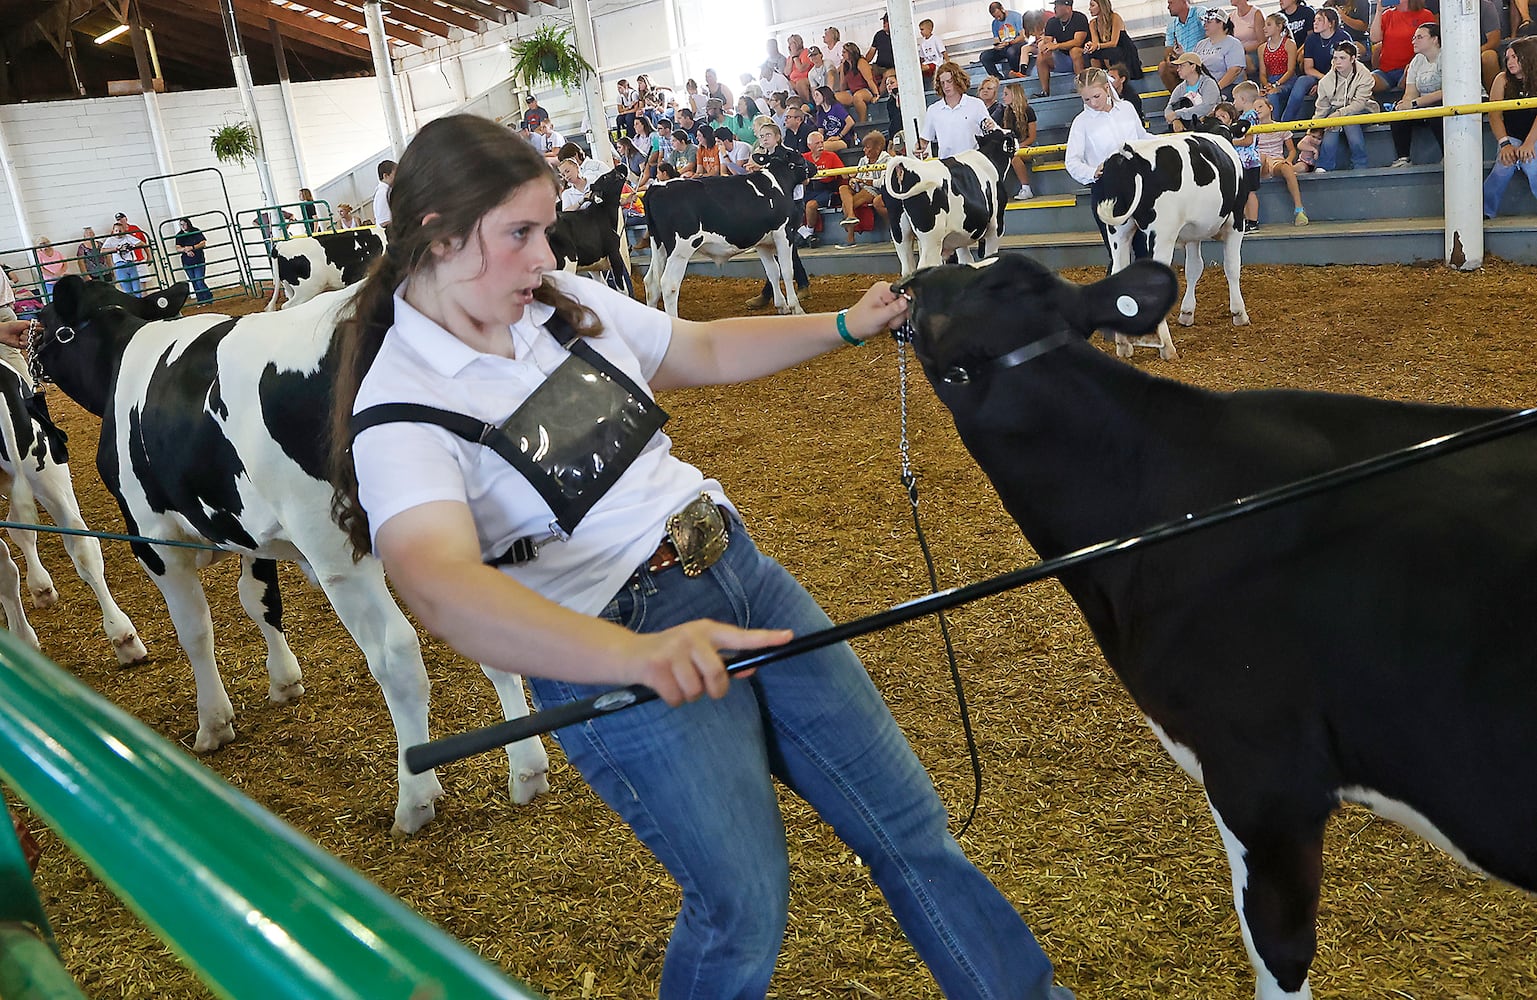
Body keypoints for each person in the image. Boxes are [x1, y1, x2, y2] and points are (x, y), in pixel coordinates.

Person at [329, 111, 1075, 1000]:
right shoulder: (401, 409)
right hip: (617, 649)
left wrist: (844, 324)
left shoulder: (555, 306)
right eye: (520, 233)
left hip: (740, 576)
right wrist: (633, 655)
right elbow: (436, 582)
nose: (545, 252)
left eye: (546, 225)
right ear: (436, 236)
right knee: (741, 906)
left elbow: (700, 349)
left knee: (910, 828)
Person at [1065, 67, 1151, 263]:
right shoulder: (1081, 122)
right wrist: (1092, 172)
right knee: (1117, 252)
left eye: (1096, 96)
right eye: (1086, 99)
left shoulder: (1127, 108)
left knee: (1145, 249)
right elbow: (1072, 161)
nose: (1093, 103)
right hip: (1106, 189)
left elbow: (1143, 137)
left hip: (1138, 185)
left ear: (1106, 88)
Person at [1484, 36, 1537, 218]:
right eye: (1507, 58)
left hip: (1535, 134)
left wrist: (1529, 143)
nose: (1510, 62)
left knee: (1531, 162)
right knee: (1504, 164)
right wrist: (1505, 144)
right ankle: (1483, 210)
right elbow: (1494, 114)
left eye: (1515, 57)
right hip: (1511, 133)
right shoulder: (1502, 79)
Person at [1245, 85, 1312, 224]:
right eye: (1255, 108)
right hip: (1260, 163)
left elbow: (1292, 150)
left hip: (1276, 162)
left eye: (1260, 107)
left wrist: (1288, 160)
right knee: (1261, 158)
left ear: (1270, 108)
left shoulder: (1280, 127)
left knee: (1286, 167)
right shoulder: (1252, 130)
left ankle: (1299, 209)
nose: (1257, 110)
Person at [1276, 8, 1352, 120]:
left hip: (1339, 78)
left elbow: (1346, 68)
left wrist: (1325, 83)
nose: (1315, 23)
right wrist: (1323, 80)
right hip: (1317, 76)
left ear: (1331, 23)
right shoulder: (1311, 39)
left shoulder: (1343, 38)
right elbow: (1308, 68)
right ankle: (1285, 123)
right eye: (1314, 20)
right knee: (1302, 81)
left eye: (1320, 20)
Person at [1313, 40, 1375, 170]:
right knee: (1333, 124)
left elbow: (1359, 103)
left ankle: (1360, 164)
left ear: (1352, 59)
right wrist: (1314, 128)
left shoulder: (1365, 76)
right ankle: (1324, 167)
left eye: (1342, 58)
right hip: (1336, 112)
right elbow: (1322, 108)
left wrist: (1339, 114)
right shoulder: (1326, 81)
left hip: (1364, 109)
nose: (1338, 62)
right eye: (1335, 58)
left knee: (1348, 119)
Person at [1388, 23, 1443, 166]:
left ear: (1435, 39)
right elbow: (1410, 93)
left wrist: (1414, 103)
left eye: (1419, 37)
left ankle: (1449, 155)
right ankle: (1403, 158)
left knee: (1437, 110)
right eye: (1413, 37)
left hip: (1446, 103)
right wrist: (1405, 104)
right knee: (1398, 111)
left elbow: (1447, 92)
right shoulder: (1417, 60)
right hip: (1424, 105)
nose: (1414, 41)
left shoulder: (1447, 57)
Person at [917, 61, 991, 158]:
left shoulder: (976, 104)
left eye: (949, 81)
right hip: (947, 166)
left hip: (974, 164)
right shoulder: (933, 110)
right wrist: (918, 149)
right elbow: (924, 139)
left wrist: (990, 125)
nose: (946, 86)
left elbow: (991, 128)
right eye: (942, 83)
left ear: (958, 80)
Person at [1213, 101, 1262, 231]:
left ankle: (1253, 221)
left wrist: (1229, 140)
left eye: (1223, 116)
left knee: (1250, 192)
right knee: (1242, 193)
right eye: (1217, 117)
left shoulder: (1247, 118)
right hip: (1238, 164)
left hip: (1249, 162)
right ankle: (1244, 220)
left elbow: (1248, 140)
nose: (1219, 119)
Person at [837, 129, 891, 245]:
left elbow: (882, 182)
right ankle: (851, 216)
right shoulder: (863, 160)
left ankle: (850, 238)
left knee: (847, 203)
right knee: (843, 188)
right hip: (861, 187)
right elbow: (859, 176)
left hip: (877, 190)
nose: (864, 150)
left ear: (878, 148)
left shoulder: (887, 160)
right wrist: (853, 181)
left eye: (867, 147)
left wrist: (864, 181)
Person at [1371, 0, 1436, 91]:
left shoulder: (1425, 15)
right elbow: (1374, 38)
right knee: (1364, 84)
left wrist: (1413, 67)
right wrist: (1378, 12)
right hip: (1386, 71)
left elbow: (1433, 45)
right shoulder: (1387, 15)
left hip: (1412, 69)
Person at [800, 129, 846, 243]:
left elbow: (844, 174)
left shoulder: (831, 156)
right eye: (817, 143)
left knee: (810, 205)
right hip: (809, 189)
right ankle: (803, 234)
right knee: (793, 205)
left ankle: (809, 233)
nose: (821, 145)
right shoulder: (804, 158)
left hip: (827, 190)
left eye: (822, 142)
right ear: (809, 145)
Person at [1039, 0, 1090, 96]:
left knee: (1074, 50)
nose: (1054, 8)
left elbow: (1078, 42)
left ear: (1067, 7)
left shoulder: (1079, 18)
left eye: (1057, 6)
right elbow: (1048, 41)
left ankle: (1081, 87)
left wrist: (1056, 45)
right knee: (1042, 55)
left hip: (1082, 57)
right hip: (1062, 58)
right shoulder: (1052, 22)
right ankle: (1045, 91)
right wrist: (1043, 44)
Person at [1195, 10, 1248, 97]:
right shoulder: (1201, 44)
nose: (1205, 25)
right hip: (1204, 88)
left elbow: (1234, 71)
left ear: (1220, 23)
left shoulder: (1233, 43)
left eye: (1209, 22)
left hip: (1228, 88)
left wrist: (1215, 89)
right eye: (1204, 22)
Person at [1259, 12, 1302, 119]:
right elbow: (1262, 73)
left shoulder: (1289, 44)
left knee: (1273, 94)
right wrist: (1267, 85)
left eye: (1269, 25)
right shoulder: (1262, 48)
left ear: (1279, 26)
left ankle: (1276, 126)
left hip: (1287, 80)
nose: (1264, 28)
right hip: (1270, 80)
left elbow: (1291, 70)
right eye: (1264, 25)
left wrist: (1276, 84)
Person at [1159, 0, 1209, 90]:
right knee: (1163, 66)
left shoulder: (1200, 12)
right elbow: (1168, 49)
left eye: (1171, 3)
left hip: (1202, 59)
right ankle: (1181, 99)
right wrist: (1169, 58)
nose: (1168, 7)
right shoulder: (1172, 25)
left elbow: (1210, 31)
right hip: (1183, 60)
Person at [1164, 52, 1220, 131]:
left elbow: (1206, 108)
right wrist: (1175, 120)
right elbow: (1169, 107)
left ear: (1193, 66)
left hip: (1209, 125)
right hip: (1187, 126)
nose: (1178, 69)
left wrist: (1178, 114)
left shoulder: (1209, 84)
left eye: (1182, 66)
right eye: (1178, 66)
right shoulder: (1180, 88)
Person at [1001, 82, 1039, 198]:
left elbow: (1032, 137)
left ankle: (1026, 188)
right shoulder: (1006, 112)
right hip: (1014, 147)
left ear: (1015, 95)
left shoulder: (1028, 111)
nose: (1003, 97)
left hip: (1026, 147)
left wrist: (1018, 146)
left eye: (1006, 94)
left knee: (1014, 156)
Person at [1085, 0, 1141, 75]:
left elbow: (1113, 43)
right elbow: (1096, 43)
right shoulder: (1092, 23)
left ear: (1101, 6)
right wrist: (1091, 45)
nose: (1089, 9)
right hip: (1106, 49)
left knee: (1110, 53)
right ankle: (1098, 77)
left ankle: (1113, 76)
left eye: (1092, 5)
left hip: (1122, 49)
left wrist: (1097, 46)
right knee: (1093, 54)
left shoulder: (1115, 17)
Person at [984, 2, 1034, 80]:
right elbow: (996, 39)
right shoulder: (994, 23)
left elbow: (1022, 37)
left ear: (1002, 9)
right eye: (995, 17)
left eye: (999, 16)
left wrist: (1010, 42)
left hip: (1017, 44)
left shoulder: (1016, 16)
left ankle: (1015, 72)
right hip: (1004, 46)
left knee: (1011, 51)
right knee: (984, 56)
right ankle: (997, 77)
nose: (998, 19)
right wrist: (997, 46)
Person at [834, 41, 880, 124]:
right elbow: (842, 86)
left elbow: (869, 80)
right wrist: (842, 69)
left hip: (866, 90)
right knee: (834, 97)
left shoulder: (861, 62)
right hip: (852, 92)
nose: (842, 55)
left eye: (844, 52)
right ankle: (845, 123)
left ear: (851, 52)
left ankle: (862, 123)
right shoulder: (845, 66)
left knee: (857, 97)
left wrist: (876, 94)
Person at [173, 217, 214, 305]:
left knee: (199, 280)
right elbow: (177, 248)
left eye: (184, 224)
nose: (183, 226)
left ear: (188, 223)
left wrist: (192, 247)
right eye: (181, 224)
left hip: (198, 259)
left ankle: (208, 298)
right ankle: (201, 300)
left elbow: (203, 243)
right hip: (187, 261)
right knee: (194, 281)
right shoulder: (179, 235)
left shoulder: (196, 231)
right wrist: (186, 250)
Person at [102, 220, 146, 295]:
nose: (118, 232)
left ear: (124, 230)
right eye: (116, 230)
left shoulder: (128, 237)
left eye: (120, 230)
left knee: (137, 288)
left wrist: (132, 246)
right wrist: (116, 249)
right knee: (127, 289)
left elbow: (141, 243)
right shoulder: (110, 240)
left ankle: (138, 302)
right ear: (113, 231)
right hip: (120, 265)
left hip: (130, 263)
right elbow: (102, 250)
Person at [1229, 0, 1268, 74]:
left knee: (1242, 62)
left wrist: (1243, 50)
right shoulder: (1231, 16)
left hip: (1255, 52)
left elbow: (1262, 41)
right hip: (1238, 53)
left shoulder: (1256, 14)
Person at [811, 85, 855, 150]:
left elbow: (850, 122)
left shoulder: (836, 107)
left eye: (817, 95)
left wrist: (839, 136)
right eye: (814, 96)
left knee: (822, 148)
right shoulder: (820, 113)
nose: (815, 98)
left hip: (842, 140)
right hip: (828, 140)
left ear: (824, 95)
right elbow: (821, 131)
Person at [917, 18, 949, 84]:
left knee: (924, 68)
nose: (921, 32)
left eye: (922, 29)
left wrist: (948, 63)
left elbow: (943, 52)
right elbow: (922, 57)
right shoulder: (922, 42)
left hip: (936, 63)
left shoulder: (936, 39)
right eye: (920, 30)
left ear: (929, 29)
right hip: (927, 63)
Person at [785, 34, 814, 103]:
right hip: (794, 81)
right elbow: (787, 72)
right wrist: (792, 57)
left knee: (800, 83)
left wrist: (795, 57)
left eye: (791, 43)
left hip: (806, 79)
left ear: (797, 43)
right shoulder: (790, 57)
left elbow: (801, 69)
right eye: (788, 44)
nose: (789, 46)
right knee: (787, 84)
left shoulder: (806, 52)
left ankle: (808, 104)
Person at [865, 12, 896, 77]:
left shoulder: (898, 35)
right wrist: (863, 62)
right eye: (884, 21)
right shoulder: (879, 35)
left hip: (894, 68)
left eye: (887, 21)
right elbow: (870, 54)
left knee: (887, 74)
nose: (884, 23)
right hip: (879, 67)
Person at [373, 159, 396, 230]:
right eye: (395, 174)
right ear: (386, 176)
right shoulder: (382, 193)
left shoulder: (387, 191)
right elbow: (384, 222)